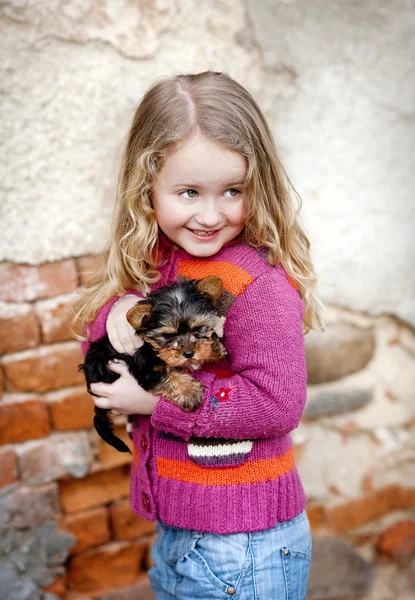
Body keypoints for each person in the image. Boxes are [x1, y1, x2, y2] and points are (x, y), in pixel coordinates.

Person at [73, 71, 323, 600]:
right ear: (148, 189)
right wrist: (118, 312)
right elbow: (100, 348)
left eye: (233, 191)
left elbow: (278, 404)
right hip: (179, 532)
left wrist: (151, 401)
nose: (210, 215)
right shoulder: (156, 263)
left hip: (247, 543)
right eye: (189, 192)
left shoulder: (257, 284)